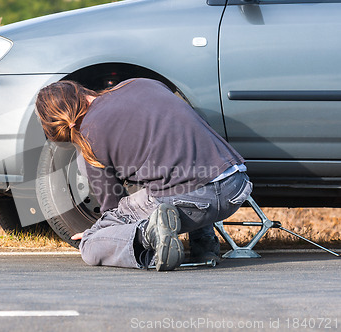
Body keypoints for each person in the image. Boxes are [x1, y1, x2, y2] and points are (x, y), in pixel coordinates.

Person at [35, 78, 253, 271]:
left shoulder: (88, 141)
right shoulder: (141, 83)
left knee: (90, 244)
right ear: (81, 91)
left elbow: (112, 209)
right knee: (181, 170)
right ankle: (204, 248)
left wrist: (103, 235)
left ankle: (150, 236)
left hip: (192, 200)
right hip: (235, 184)